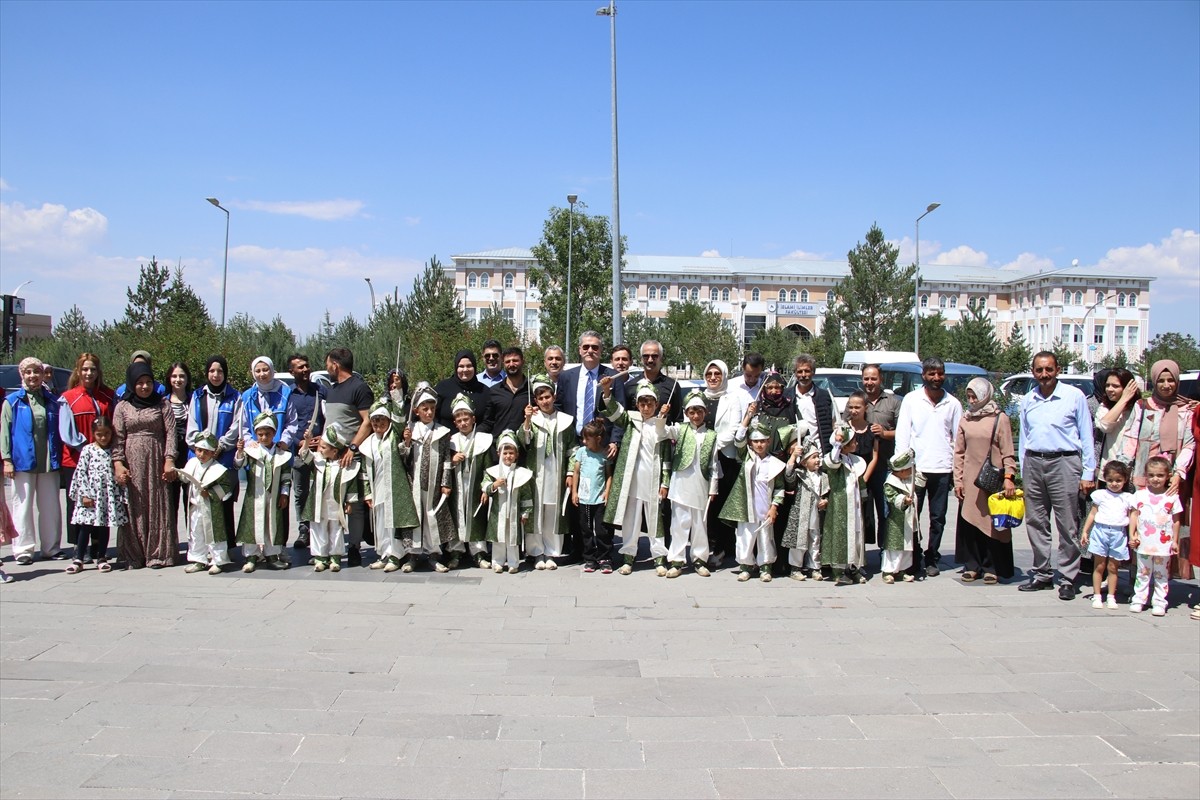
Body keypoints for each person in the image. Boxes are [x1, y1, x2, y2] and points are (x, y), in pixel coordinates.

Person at [1017, 352, 1096, 600]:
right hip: (1034, 462)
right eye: (1039, 370)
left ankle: (1068, 577)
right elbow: (1024, 437)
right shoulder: (1028, 399)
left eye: (1048, 369)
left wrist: (1088, 471)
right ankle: (1042, 574)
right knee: (1036, 522)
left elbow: (1086, 435)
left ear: (1057, 369)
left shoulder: (1074, 397)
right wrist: (1023, 469)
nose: (1044, 375)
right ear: (1033, 372)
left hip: (1064, 462)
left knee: (1067, 524)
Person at [1, 357, 75, 564]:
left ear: (43, 374)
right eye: (28, 372)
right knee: (22, 506)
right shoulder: (13, 401)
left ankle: (51, 548)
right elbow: (4, 433)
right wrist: (7, 459)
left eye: (36, 372)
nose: (32, 376)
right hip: (22, 462)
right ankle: (23, 549)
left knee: (50, 506)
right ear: (22, 375)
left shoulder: (52, 401)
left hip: (49, 462)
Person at [895, 357, 962, 578]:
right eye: (931, 373)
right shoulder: (912, 400)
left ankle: (932, 555)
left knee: (938, 517)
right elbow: (903, 433)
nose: (936, 378)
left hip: (942, 469)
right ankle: (913, 558)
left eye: (940, 373)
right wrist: (900, 465)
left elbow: (958, 439)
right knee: (912, 515)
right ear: (923, 375)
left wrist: (955, 470)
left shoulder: (953, 403)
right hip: (917, 469)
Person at [112, 361, 178, 569]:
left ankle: (157, 554)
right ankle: (134, 554)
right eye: (139, 383)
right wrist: (118, 463)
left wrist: (169, 459)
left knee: (158, 504)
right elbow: (117, 436)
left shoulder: (162, 404)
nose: (144, 387)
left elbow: (171, 433)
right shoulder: (122, 406)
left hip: (157, 459)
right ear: (132, 384)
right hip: (132, 461)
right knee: (134, 506)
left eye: (148, 382)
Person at [602, 377, 671, 576]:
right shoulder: (631, 420)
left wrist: (665, 482)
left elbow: (666, 458)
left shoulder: (661, 427)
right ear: (637, 404)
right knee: (631, 519)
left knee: (654, 519)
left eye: (650, 402)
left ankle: (659, 558)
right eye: (642, 402)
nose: (646, 406)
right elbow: (615, 412)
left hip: (652, 479)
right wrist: (607, 392)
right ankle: (628, 558)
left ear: (656, 404)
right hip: (632, 480)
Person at [953, 377, 1018, 584]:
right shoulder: (966, 419)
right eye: (969, 396)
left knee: (992, 523)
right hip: (971, 479)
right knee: (970, 521)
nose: (971, 401)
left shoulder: (1000, 419)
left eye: (975, 396)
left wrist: (1009, 477)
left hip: (992, 479)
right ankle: (972, 565)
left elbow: (1008, 452)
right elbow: (959, 452)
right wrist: (958, 480)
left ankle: (992, 566)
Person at [661, 390, 721, 578]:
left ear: (705, 413)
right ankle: (677, 560)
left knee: (700, 524)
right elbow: (661, 431)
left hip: (701, 485)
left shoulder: (711, 435)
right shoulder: (679, 429)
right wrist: (662, 415)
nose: (695, 416)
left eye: (699, 412)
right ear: (686, 413)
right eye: (692, 412)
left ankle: (699, 559)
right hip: (680, 484)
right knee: (679, 524)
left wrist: (713, 488)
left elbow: (714, 464)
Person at [323, 348, 374, 566]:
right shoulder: (332, 390)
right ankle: (332, 548)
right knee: (333, 503)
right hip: (330, 458)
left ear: (335, 364)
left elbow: (368, 421)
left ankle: (354, 547)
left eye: (327, 364)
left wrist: (353, 447)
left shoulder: (359, 388)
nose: (327, 368)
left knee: (355, 505)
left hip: (351, 457)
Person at [59, 352, 116, 549]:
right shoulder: (68, 398)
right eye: (85, 369)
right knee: (79, 503)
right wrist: (88, 450)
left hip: (104, 461)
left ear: (98, 371)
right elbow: (66, 433)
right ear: (78, 371)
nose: (89, 373)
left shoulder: (109, 395)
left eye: (92, 369)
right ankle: (78, 546)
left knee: (101, 501)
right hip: (76, 460)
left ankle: (98, 546)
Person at [186, 356, 242, 551]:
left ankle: (223, 549)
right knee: (198, 504)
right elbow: (191, 426)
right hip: (200, 459)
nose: (216, 375)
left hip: (223, 459)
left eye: (219, 371)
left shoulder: (235, 397)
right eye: (212, 371)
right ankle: (199, 549)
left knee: (222, 503)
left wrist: (220, 447)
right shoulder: (198, 396)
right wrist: (202, 449)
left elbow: (237, 426)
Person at [398, 385, 456, 572]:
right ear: (416, 411)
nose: (429, 412)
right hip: (413, 482)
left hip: (434, 483)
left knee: (433, 517)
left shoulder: (442, 432)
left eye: (432, 408)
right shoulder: (410, 430)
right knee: (415, 517)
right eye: (425, 409)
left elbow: (447, 459)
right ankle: (412, 555)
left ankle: (434, 554)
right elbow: (404, 459)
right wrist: (406, 443)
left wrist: (446, 482)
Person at [720, 420, 786, 582]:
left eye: (763, 441)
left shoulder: (775, 464)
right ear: (751, 443)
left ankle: (765, 567)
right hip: (747, 507)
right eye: (756, 441)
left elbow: (779, 487)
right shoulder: (747, 458)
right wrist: (747, 418)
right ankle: (746, 566)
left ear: (768, 442)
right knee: (745, 537)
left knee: (765, 538)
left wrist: (774, 507)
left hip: (765, 507)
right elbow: (739, 441)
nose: (759, 445)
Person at [521, 374, 574, 569]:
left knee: (553, 512)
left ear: (554, 396)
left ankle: (551, 552)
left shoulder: (566, 420)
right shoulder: (532, 419)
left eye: (547, 397)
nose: (545, 401)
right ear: (535, 400)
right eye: (540, 398)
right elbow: (524, 442)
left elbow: (572, 449)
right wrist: (526, 421)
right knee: (536, 512)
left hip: (556, 474)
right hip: (537, 474)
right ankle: (536, 552)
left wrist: (570, 473)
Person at [359, 399, 418, 573]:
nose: (378, 424)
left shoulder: (393, 436)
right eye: (375, 421)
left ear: (388, 421)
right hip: (378, 489)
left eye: (382, 420)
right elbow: (364, 471)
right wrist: (368, 494)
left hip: (394, 488)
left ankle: (396, 555)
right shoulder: (367, 443)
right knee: (380, 524)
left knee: (393, 523)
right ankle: (384, 554)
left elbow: (400, 418)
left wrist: (397, 393)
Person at [298, 426, 365, 573]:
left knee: (336, 530)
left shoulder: (344, 465)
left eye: (323, 447)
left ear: (334, 450)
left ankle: (335, 557)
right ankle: (320, 558)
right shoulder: (317, 461)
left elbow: (350, 483)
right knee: (319, 529)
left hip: (335, 504)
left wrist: (349, 501)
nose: (320, 450)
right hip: (318, 505)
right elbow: (304, 453)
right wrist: (307, 441)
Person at [1123, 360, 1194, 496]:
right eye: (1161, 381)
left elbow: (1189, 445)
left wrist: (1178, 473)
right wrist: (1122, 470)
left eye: (1171, 380)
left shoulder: (1187, 410)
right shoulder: (1142, 406)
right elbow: (1130, 440)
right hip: (1143, 478)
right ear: (1154, 381)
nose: (1166, 385)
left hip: (1172, 479)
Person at [701, 358, 746, 569]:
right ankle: (706, 545)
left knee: (720, 505)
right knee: (705, 504)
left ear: (724, 376)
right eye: (709, 374)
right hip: (701, 457)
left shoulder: (732, 398)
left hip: (724, 457)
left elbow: (735, 427)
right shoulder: (700, 397)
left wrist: (713, 446)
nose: (712, 378)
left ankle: (721, 548)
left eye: (717, 374)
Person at [65, 416, 125, 574]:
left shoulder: (114, 451)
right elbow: (80, 473)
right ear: (93, 434)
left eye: (106, 434)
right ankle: (78, 558)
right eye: (99, 434)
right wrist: (85, 494)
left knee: (104, 527)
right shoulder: (88, 450)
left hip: (107, 496)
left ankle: (101, 557)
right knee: (86, 526)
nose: (103, 437)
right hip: (91, 496)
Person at [234, 412, 292, 573]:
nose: (264, 437)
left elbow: (286, 476)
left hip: (273, 496)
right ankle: (251, 556)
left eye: (267, 434)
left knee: (271, 524)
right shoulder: (251, 451)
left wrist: (284, 494)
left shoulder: (281, 454)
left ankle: (272, 555)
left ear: (274, 433)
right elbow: (239, 465)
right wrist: (240, 452)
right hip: (255, 495)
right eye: (260, 434)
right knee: (253, 524)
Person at [555, 331, 627, 454]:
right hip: (573, 443)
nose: (590, 350)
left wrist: (615, 441)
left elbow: (621, 413)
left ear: (601, 350)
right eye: (586, 347)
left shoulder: (614, 377)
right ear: (579, 350)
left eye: (594, 347)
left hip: (604, 445)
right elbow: (559, 408)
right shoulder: (566, 377)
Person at [1128, 456, 1182, 616]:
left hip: (1163, 544)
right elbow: (1134, 515)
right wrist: (1132, 534)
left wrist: (1175, 541)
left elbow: (1176, 521)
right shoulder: (1140, 495)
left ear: (1168, 476)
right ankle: (1139, 599)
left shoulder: (1172, 496)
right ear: (1146, 475)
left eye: (1160, 475)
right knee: (1142, 573)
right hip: (1143, 542)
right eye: (1151, 475)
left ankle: (1159, 602)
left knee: (1161, 574)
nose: (1155, 479)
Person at [178, 431, 235, 574]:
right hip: (195, 506)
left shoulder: (219, 469)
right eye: (199, 450)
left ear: (213, 452)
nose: (201, 455)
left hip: (211, 507)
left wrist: (210, 493)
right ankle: (198, 559)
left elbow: (227, 487)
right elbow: (186, 477)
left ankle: (218, 560)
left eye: (206, 452)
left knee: (214, 534)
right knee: (196, 533)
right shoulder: (192, 463)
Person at [284, 353, 326, 551]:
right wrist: (298, 441)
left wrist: (324, 438)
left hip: (319, 451)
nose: (305, 370)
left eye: (307, 366)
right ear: (292, 371)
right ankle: (303, 530)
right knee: (300, 492)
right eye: (300, 367)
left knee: (321, 490)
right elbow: (284, 423)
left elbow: (331, 416)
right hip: (298, 451)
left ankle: (320, 528)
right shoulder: (288, 395)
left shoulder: (321, 391)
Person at [1081, 460, 1135, 609]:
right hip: (1101, 531)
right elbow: (1092, 514)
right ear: (1105, 479)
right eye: (1110, 480)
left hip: (1118, 533)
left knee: (1113, 567)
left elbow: (1132, 518)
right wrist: (1085, 531)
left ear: (1125, 480)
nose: (1114, 484)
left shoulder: (1128, 498)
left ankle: (1111, 596)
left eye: (1118, 480)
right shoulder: (1100, 495)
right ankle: (1097, 595)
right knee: (1099, 566)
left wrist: (1132, 535)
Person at [821, 422, 869, 585]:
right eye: (853, 442)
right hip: (840, 504)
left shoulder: (856, 461)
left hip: (854, 506)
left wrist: (863, 498)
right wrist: (838, 443)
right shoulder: (836, 461)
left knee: (855, 534)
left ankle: (853, 567)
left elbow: (860, 481)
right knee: (841, 534)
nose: (856, 444)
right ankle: (839, 570)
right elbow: (831, 461)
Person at [447, 394, 493, 569]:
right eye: (459, 420)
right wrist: (452, 461)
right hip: (457, 485)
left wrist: (485, 489)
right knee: (457, 515)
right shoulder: (450, 441)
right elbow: (443, 467)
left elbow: (488, 467)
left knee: (477, 516)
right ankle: (455, 552)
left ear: (473, 419)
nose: (463, 423)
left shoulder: (483, 440)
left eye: (466, 419)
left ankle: (479, 552)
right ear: (455, 423)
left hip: (476, 486)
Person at [860, 364, 901, 547]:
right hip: (862, 465)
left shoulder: (893, 402)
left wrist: (885, 434)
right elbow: (846, 428)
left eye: (873, 378)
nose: (870, 382)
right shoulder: (857, 400)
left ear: (880, 379)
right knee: (861, 512)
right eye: (866, 379)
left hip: (885, 466)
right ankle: (859, 558)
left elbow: (904, 432)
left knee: (886, 511)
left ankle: (887, 553)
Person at [482, 430, 533, 574]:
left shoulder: (521, 473)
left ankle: (513, 563)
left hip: (514, 512)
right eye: (504, 453)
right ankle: (497, 562)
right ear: (499, 454)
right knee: (498, 538)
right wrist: (494, 485)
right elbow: (484, 486)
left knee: (512, 539)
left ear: (516, 454)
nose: (508, 456)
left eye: (511, 453)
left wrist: (525, 513)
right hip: (497, 512)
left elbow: (526, 495)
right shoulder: (492, 472)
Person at [571, 420, 613, 573]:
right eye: (583, 438)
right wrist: (574, 492)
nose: (584, 441)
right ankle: (589, 558)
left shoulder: (604, 454)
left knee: (601, 530)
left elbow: (609, 475)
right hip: (584, 498)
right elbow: (576, 472)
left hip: (599, 499)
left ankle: (605, 558)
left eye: (587, 439)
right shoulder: (581, 452)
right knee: (586, 529)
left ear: (598, 439)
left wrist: (607, 492)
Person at [782, 440, 826, 581]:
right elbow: (788, 476)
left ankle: (815, 567)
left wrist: (826, 500)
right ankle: (795, 568)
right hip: (800, 513)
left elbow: (827, 493)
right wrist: (794, 457)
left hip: (816, 514)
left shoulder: (823, 477)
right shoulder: (800, 474)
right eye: (813, 457)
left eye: (818, 456)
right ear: (804, 462)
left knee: (815, 540)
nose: (817, 460)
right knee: (798, 541)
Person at [478, 347, 533, 447]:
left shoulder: (531, 390)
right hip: (498, 449)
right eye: (508, 361)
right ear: (503, 363)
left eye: (515, 360)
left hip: (524, 449)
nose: (511, 364)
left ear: (523, 361)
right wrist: (471, 435)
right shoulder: (494, 391)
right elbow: (488, 422)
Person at [163, 362, 191, 548]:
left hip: (190, 456)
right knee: (170, 502)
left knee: (191, 501)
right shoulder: (163, 402)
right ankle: (170, 544)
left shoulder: (195, 399)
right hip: (170, 455)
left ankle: (194, 542)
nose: (178, 380)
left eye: (181, 376)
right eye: (174, 376)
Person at [786, 354, 835, 455]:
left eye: (807, 371)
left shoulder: (824, 397)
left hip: (819, 455)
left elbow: (834, 424)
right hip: (794, 454)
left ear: (813, 372)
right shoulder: (786, 396)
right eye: (799, 371)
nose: (803, 375)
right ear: (795, 373)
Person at [880, 448, 916, 583]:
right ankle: (888, 571)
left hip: (907, 520)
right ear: (901, 471)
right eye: (909, 469)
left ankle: (902, 570)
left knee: (906, 547)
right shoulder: (890, 482)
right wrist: (903, 500)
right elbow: (891, 496)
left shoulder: (908, 479)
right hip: (896, 521)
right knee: (893, 547)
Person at [434, 350, 486, 430]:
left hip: (476, 440)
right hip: (445, 439)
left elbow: (488, 421)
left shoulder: (484, 391)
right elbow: (431, 414)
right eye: (461, 366)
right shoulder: (442, 387)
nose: (465, 370)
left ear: (474, 367)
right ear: (456, 367)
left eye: (469, 366)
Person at [634, 340, 682, 423]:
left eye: (654, 356)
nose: (650, 360)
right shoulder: (631, 386)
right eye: (646, 356)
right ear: (641, 359)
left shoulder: (672, 386)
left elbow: (678, 420)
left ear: (661, 358)